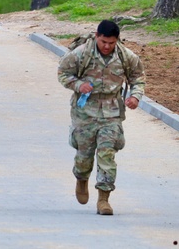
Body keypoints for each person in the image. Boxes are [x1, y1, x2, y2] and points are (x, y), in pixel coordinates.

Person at [57, 19, 146, 216]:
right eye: (103, 42)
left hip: (112, 113)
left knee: (107, 154)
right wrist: (78, 85)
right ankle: (81, 179)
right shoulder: (81, 54)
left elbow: (138, 77)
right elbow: (63, 73)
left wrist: (135, 96)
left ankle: (103, 199)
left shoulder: (126, 56)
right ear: (97, 36)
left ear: (117, 41)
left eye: (111, 43)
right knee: (84, 155)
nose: (107, 46)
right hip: (85, 112)